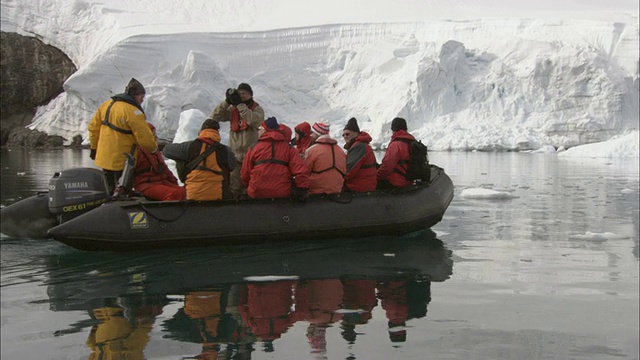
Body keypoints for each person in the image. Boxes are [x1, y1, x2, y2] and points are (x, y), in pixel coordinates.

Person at [88, 78, 158, 193]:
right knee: (124, 189)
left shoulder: (106, 105)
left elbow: (93, 128)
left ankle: (107, 205)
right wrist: (154, 150)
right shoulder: (133, 111)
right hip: (123, 161)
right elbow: (144, 137)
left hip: (104, 157)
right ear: (135, 95)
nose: (142, 100)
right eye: (141, 96)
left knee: (109, 188)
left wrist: (94, 148)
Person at [207, 83, 265, 199]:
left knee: (251, 184)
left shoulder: (257, 109)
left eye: (244, 93)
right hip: (235, 155)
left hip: (251, 155)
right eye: (239, 93)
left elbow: (253, 121)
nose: (241, 95)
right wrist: (227, 102)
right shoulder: (233, 110)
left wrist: (240, 105)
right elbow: (215, 116)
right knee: (234, 185)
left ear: (250, 95)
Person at [163, 119, 236, 201]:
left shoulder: (190, 147)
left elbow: (166, 151)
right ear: (217, 133)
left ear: (201, 131)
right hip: (218, 195)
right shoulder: (225, 151)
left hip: (192, 195)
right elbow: (233, 165)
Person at [240, 117, 309, 199]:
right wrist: (302, 188)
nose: (258, 131)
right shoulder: (289, 148)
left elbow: (245, 172)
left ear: (266, 130)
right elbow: (301, 170)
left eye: (260, 128)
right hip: (282, 193)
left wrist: (247, 185)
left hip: (256, 192)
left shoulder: (254, 148)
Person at [132, 123, 186, 201]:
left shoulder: (154, 150)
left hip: (161, 182)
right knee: (174, 194)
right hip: (145, 185)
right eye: (153, 134)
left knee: (185, 192)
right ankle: (168, 212)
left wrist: (174, 183)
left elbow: (165, 170)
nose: (155, 137)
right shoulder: (136, 152)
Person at [304, 122, 346, 195]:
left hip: (316, 192)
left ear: (317, 134)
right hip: (337, 190)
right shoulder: (340, 151)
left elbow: (305, 172)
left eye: (312, 133)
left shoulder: (312, 150)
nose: (310, 136)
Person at [376, 117, 416, 189]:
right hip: (409, 181)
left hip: (396, 182)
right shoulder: (412, 142)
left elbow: (387, 166)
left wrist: (376, 175)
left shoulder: (396, 144)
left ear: (393, 129)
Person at [342, 117, 378, 192]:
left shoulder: (359, 147)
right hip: (364, 185)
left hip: (359, 187)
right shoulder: (360, 145)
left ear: (356, 133)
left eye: (347, 134)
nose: (345, 136)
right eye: (343, 135)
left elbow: (349, 171)